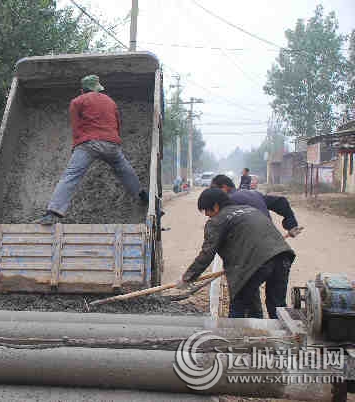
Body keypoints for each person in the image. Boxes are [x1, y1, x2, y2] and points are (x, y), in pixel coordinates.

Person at [35, 74, 148, 225]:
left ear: (83, 90)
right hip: (112, 143)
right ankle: (142, 195)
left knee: (71, 175)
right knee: (124, 169)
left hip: (89, 145)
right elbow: (117, 124)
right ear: (98, 88)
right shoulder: (110, 101)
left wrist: (76, 146)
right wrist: (114, 142)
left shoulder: (77, 101)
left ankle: (52, 212)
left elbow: (76, 127)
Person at [176, 188, 295, 319]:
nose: (206, 215)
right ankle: (278, 337)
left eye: (206, 210)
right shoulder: (251, 210)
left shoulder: (217, 221)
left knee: (238, 307)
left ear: (215, 206)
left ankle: (236, 337)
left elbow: (207, 254)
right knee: (277, 307)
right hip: (283, 256)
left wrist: (187, 278)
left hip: (257, 262)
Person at [210, 174, 303, 238]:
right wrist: (291, 225)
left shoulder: (228, 201)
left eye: (214, 189)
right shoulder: (254, 194)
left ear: (224, 187)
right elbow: (281, 202)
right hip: (273, 240)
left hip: (254, 250)